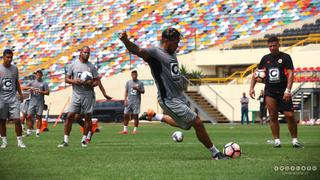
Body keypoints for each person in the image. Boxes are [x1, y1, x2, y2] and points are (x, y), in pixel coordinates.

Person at [119, 27, 228, 160]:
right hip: (168, 99)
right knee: (197, 122)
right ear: (166, 40)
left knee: (186, 125)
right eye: (175, 42)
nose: (177, 45)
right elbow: (138, 50)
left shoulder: (172, 52)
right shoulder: (155, 52)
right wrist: (125, 41)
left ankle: (155, 116)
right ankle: (215, 153)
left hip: (179, 96)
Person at [249, 36, 304, 148]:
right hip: (270, 91)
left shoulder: (286, 57)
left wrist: (288, 90)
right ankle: (277, 141)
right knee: (273, 116)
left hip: (283, 91)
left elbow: (291, 74)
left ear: (279, 45)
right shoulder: (265, 58)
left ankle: (295, 140)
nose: (272, 48)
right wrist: (251, 88)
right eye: (270, 46)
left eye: (274, 45)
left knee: (289, 115)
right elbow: (256, 74)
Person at [57, 46, 99, 148]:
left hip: (88, 95)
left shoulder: (91, 67)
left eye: (88, 53)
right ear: (80, 53)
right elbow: (66, 79)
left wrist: (90, 84)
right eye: (85, 52)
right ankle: (65, 140)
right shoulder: (73, 65)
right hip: (76, 95)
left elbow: (97, 81)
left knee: (88, 117)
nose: (87, 54)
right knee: (70, 116)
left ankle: (84, 139)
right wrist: (74, 81)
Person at [0, 49, 26, 148]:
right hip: (1, 99)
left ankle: (19, 142)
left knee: (17, 120)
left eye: (11, 57)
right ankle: (4, 142)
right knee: (2, 121)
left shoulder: (15, 68)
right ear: (3, 57)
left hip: (13, 99)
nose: (9, 59)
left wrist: (20, 93)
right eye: (7, 57)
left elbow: (16, 82)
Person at [75, 78, 112, 142]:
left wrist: (104, 94)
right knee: (76, 117)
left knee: (87, 117)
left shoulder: (91, 70)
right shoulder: (76, 70)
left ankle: (88, 136)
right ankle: (90, 130)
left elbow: (98, 82)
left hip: (89, 98)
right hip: (79, 97)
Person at [25, 70, 50, 137]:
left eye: (40, 75)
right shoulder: (32, 82)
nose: (38, 76)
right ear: (35, 75)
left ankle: (38, 131)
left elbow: (47, 93)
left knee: (39, 117)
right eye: (37, 75)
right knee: (29, 116)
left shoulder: (44, 83)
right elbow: (23, 87)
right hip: (32, 101)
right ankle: (29, 130)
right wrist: (30, 88)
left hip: (40, 102)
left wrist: (41, 91)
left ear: (42, 75)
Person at [119, 70, 145, 134]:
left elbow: (143, 92)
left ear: (137, 75)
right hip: (129, 101)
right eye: (133, 75)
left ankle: (135, 130)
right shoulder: (128, 82)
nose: (134, 76)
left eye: (135, 75)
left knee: (135, 116)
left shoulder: (140, 83)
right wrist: (125, 99)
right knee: (125, 115)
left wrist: (138, 89)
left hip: (136, 102)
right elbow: (126, 91)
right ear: (131, 75)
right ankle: (125, 130)